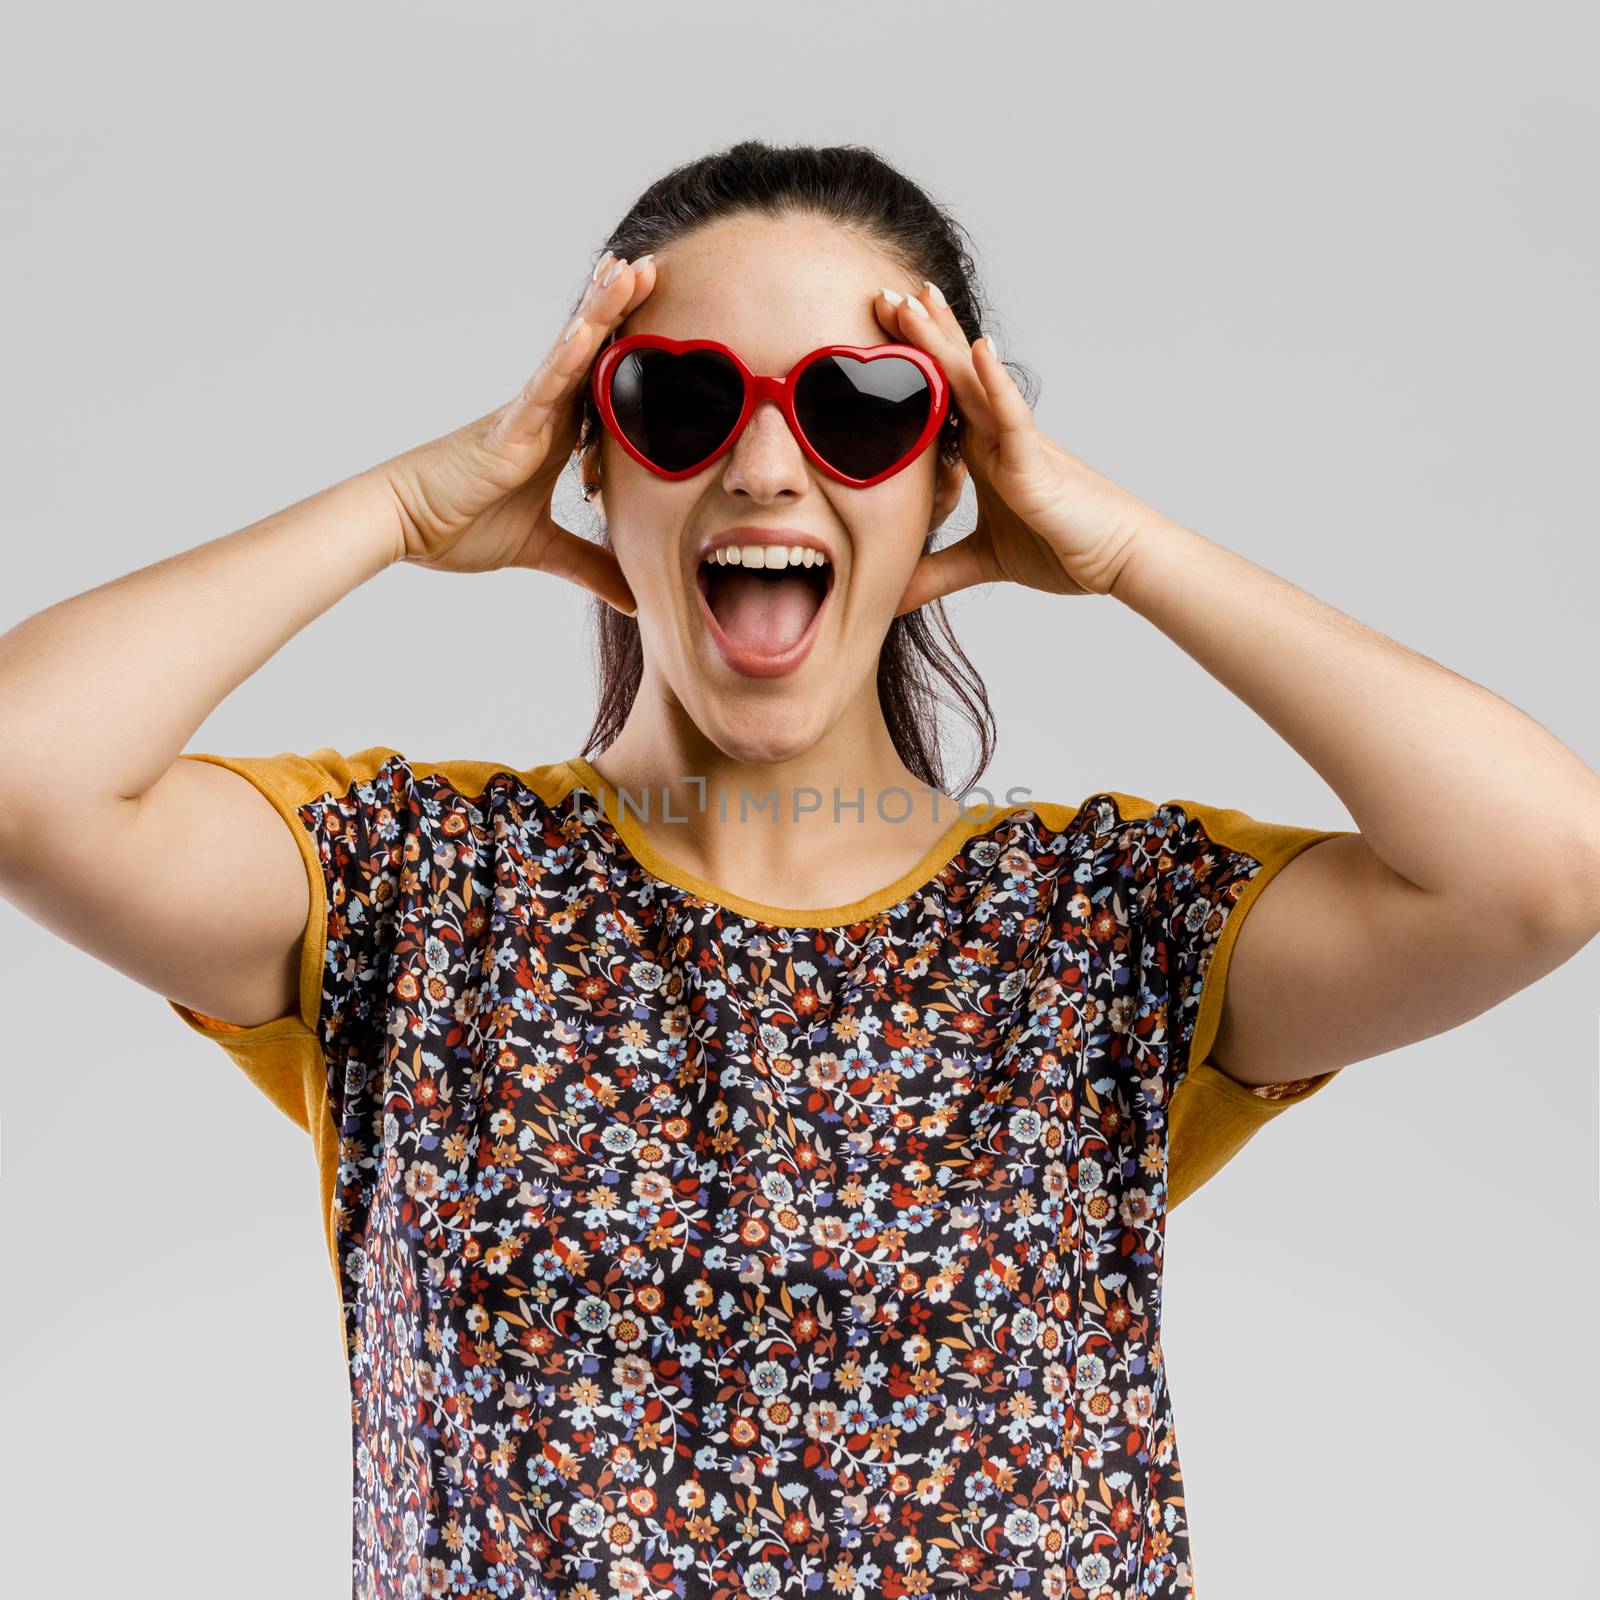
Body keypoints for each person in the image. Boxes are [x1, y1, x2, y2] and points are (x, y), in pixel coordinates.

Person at [3, 139, 1597, 1600]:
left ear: (948, 475)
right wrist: (404, 504)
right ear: (589, 463)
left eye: (858, 408)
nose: (768, 466)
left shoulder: (1099, 934)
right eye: (682, 404)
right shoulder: (411, 891)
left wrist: (1123, 550)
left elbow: (1537, 867)